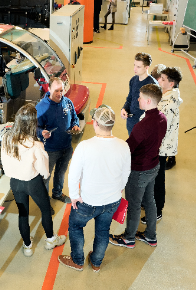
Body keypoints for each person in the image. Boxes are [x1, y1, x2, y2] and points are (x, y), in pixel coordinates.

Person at [58, 104, 131, 272]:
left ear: (95, 123)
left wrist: (74, 196)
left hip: (87, 201)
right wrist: (119, 189)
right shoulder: (123, 146)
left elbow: (73, 174)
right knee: (103, 230)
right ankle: (96, 262)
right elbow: (126, 173)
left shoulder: (85, 146)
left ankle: (77, 260)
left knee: (76, 227)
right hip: (112, 200)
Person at [1, 104, 66, 257]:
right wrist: (44, 175)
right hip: (33, 182)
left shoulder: (6, 138)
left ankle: (27, 245)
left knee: (23, 213)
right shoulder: (36, 145)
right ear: (32, 124)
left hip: (15, 183)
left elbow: (4, 162)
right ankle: (51, 239)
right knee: (45, 209)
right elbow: (44, 170)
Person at [109, 84, 167, 248]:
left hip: (139, 170)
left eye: (140, 97)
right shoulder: (162, 118)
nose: (137, 99)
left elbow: (128, 149)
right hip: (153, 166)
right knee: (149, 200)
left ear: (148, 100)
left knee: (134, 205)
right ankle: (150, 235)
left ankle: (129, 238)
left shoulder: (142, 126)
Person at [140, 67, 183, 224]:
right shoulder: (164, 96)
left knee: (157, 179)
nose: (159, 80)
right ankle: (150, 204)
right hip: (155, 145)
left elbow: (160, 128)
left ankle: (157, 210)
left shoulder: (170, 103)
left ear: (171, 84)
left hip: (159, 148)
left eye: (163, 79)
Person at [36, 77, 81, 205]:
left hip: (66, 147)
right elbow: (35, 127)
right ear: (49, 89)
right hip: (50, 149)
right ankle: (44, 201)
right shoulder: (41, 108)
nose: (59, 94)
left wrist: (75, 125)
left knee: (61, 173)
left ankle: (57, 193)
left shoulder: (67, 102)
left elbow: (74, 118)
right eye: (56, 91)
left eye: (61, 90)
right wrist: (42, 133)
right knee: (46, 176)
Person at [121, 52, 156, 135]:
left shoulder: (152, 85)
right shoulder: (133, 80)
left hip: (144, 128)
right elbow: (130, 98)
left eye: (138, 67)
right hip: (131, 124)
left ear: (147, 67)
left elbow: (154, 111)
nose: (134, 69)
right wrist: (124, 109)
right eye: (134, 65)